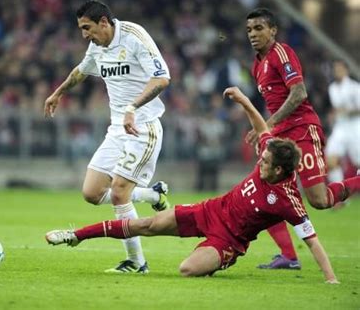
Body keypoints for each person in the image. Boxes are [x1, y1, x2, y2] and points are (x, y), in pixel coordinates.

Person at [45, 87, 340, 284]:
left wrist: (331, 279)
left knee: (187, 269)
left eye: (264, 163)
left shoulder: (289, 199)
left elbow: (312, 240)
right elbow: (262, 128)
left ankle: (214, 260)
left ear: (278, 169)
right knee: (146, 225)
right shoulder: (272, 152)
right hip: (209, 211)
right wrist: (242, 100)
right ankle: (75, 236)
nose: (259, 163)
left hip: (229, 241)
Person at [43, 0, 171, 273]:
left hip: (142, 126)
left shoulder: (134, 36)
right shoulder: (97, 46)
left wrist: (132, 108)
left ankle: (137, 263)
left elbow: (162, 78)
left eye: (87, 28)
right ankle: (153, 195)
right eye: (80, 29)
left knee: (119, 194)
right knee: (91, 193)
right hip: (117, 130)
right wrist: (59, 92)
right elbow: (81, 70)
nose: (84, 35)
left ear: (104, 22)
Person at [244, 8, 360, 270]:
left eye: (259, 28)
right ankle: (289, 255)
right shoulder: (256, 64)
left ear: (273, 30)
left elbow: (299, 93)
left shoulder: (280, 53)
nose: (253, 34)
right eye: (249, 30)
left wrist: (267, 125)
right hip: (280, 134)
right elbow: (272, 104)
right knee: (263, 189)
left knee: (318, 200)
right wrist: (265, 129)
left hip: (301, 130)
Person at [326, 60, 360, 184]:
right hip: (340, 127)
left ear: (347, 70)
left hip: (355, 127)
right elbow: (336, 109)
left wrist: (347, 111)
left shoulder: (355, 87)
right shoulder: (332, 88)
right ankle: (340, 196)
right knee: (331, 159)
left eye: (340, 68)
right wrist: (333, 114)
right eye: (335, 69)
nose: (337, 71)